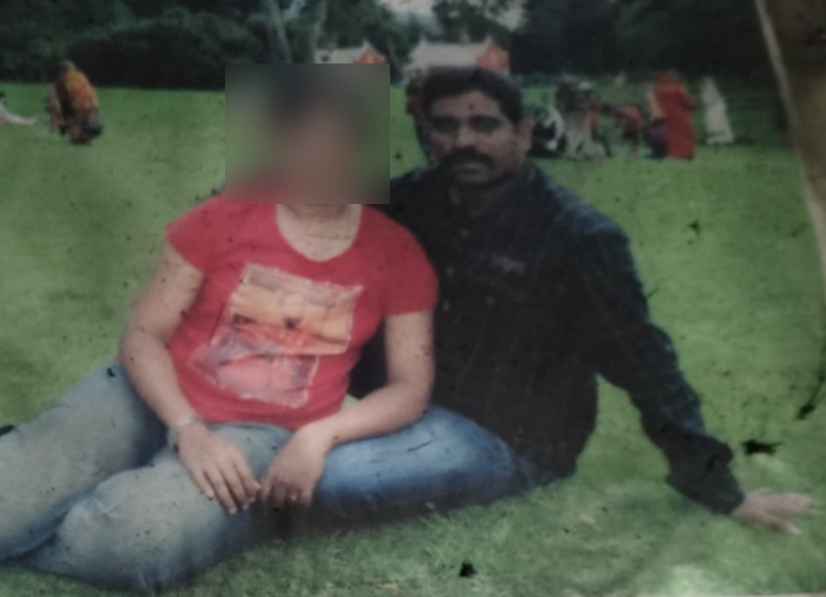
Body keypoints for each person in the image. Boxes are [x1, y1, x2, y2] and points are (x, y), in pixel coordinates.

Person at [0, 74, 438, 592]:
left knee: (135, 544)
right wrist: (187, 429)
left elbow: (410, 387)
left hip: (259, 436)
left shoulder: (396, 252)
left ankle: (49, 491)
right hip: (148, 397)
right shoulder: (223, 217)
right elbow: (142, 335)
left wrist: (318, 436)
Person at [316, 67, 812, 535]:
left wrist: (721, 489)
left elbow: (645, 362)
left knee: (324, 483)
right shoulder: (418, 196)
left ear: (522, 133)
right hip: (407, 399)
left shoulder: (577, 235)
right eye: (445, 126)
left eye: (484, 125)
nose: (463, 141)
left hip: (508, 436)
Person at [47, 61, 102, 144]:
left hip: (79, 105)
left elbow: (55, 103)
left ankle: (80, 136)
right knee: (88, 122)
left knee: (74, 128)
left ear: (61, 72)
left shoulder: (59, 82)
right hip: (93, 103)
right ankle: (88, 134)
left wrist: (59, 121)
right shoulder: (81, 76)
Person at [650, 72, 695, 159]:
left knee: (671, 136)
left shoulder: (657, 90)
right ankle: (685, 152)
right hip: (680, 115)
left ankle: (673, 153)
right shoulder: (678, 89)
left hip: (666, 116)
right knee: (684, 134)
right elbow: (687, 102)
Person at [700, 76, 735, 145]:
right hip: (712, 110)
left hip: (715, 110)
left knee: (717, 124)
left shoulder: (711, 91)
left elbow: (710, 101)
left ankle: (721, 139)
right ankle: (715, 139)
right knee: (713, 124)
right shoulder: (707, 91)